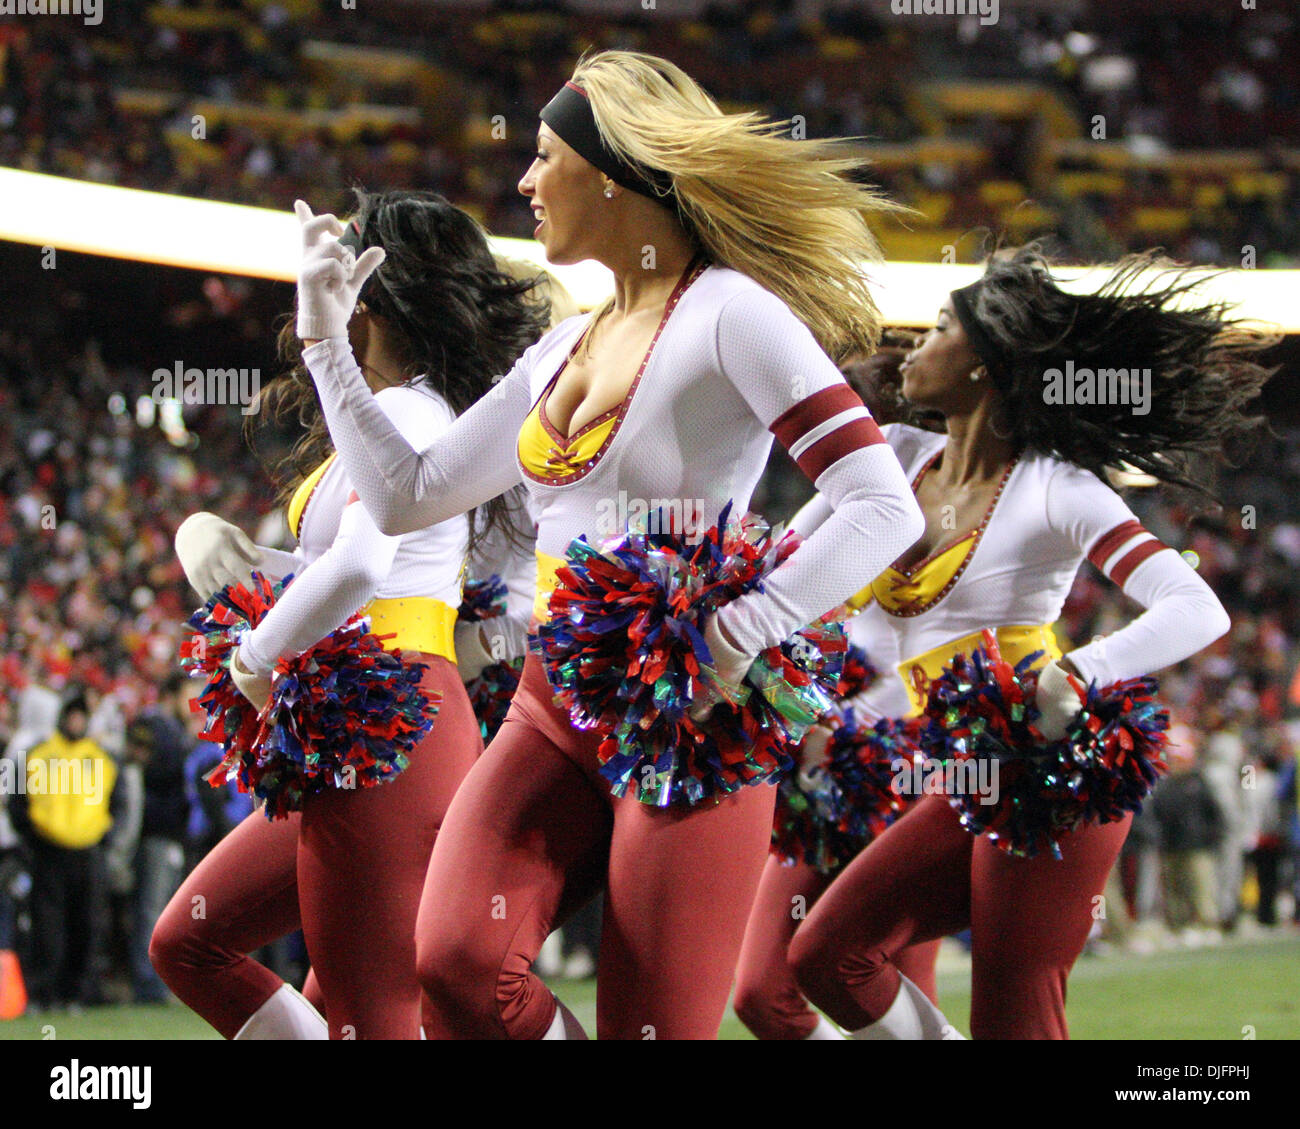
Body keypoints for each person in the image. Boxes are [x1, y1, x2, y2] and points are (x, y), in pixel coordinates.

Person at [297, 49, 923, 1039]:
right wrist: (326, 345)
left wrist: (739, 635)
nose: (525, 181)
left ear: (611, 170)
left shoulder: (731, 314)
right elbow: (410, 494)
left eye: (544, 158)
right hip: (554, 700)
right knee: (455, 962)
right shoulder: (563, 343)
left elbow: (883, 505)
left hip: (687, 717)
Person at [787, 245, 1272, 1039]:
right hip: (957, 768)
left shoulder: (1056, 485)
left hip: (1052, 771)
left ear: (985, 364)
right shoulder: (896, 457)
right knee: (826, 955)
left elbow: (1195, 607)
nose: (915, 342)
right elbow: (781, 573)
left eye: (941, 324)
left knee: (1013, 1011)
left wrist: (1081, 671)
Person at [149, 189, 548, 1040]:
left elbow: (364, 566)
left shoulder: (408, 411)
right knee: (192, 940)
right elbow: (345, 566)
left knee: (369, 1018)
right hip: (372, 721)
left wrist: (256, 656)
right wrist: (223, 547)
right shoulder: (399, 413)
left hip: (390, 722)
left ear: (365, 298)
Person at [734, 339, 944, 1040]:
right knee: (763, 991)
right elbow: (774, 574)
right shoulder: (846, 498)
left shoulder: (923, 473)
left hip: (912, 757)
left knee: (894, 982)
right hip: (826, 757)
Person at [9, 692, 120, 1011]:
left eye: (80, 716)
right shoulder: (36, 755)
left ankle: (76, 993)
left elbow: (118, 803)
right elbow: (16, 802)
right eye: (71, 716)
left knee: (86, 925)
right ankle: (45, 993)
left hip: (88, 853)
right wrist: (31, 841)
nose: (76, 722)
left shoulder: (101, 757)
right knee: (47, 926)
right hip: (48, 853)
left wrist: (104, 840)